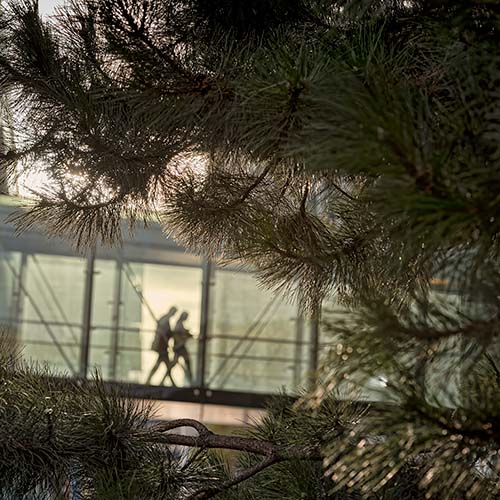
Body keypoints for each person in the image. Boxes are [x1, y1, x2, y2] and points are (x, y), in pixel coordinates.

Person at [145, 306, 177, 386]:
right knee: (167, 365)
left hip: (163, 346)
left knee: (164, 365)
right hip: (162, 346)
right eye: (174, 313)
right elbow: (161, 332)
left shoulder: (166, 319)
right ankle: (169, 383)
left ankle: (152, 380)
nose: (174, 314)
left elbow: (166, 332)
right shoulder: (165, 319)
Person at [161, 311, 193, 386]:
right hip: (180, 348)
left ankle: (190, 380)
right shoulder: (178, 325)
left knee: (176, 364)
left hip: (179, 347)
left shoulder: (179, 324)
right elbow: (179, 336)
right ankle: (191, 380)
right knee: (185, 363)